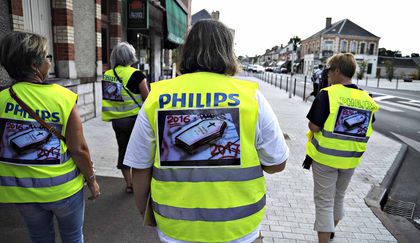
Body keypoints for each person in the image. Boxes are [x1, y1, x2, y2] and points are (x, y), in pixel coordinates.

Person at [124, 19, 288, 243]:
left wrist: (146, 213)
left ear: (187, 50)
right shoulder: (251, 97)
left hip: (176, 229)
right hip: (239, 230)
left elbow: (140, 167)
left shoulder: (158, 97)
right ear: (228, 52)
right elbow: (278, 163)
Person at [0, 31, 100, 242]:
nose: (50, 62)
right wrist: (91, 180)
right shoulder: (62, 97)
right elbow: (78, 149)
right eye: (47, 57)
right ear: (35, 65)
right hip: (63, 191)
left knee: (39, 237)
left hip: (21, 191)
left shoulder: (1, 100)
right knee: (73, 237)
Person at [304, 53, 379, 243]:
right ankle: (329, 234)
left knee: (324, 203)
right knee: (339, 197)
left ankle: (324, 240)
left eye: (329, 70)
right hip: (351, 160)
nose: (327, 75)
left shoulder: (328, 94)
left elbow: (314, 126)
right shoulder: (367, 99)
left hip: (325, 158)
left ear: (337, 71)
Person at [101, 42, 149, 193]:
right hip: (135, 121)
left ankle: (129, 184)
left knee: (123, 150)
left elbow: (112, 97)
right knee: (139, 152)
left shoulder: (108, 74)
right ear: (131, 56)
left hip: (117, 121)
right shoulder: (136, 74)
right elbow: (147, 99)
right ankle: (139, 183)